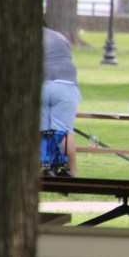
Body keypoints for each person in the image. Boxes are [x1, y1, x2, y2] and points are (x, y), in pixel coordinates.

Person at [41, 27, 81, 176]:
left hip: (42, 85)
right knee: (63, 133)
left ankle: (42, 172)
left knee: (42, 132)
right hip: (66, 85)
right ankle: (72, 174)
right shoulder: (59, 36)